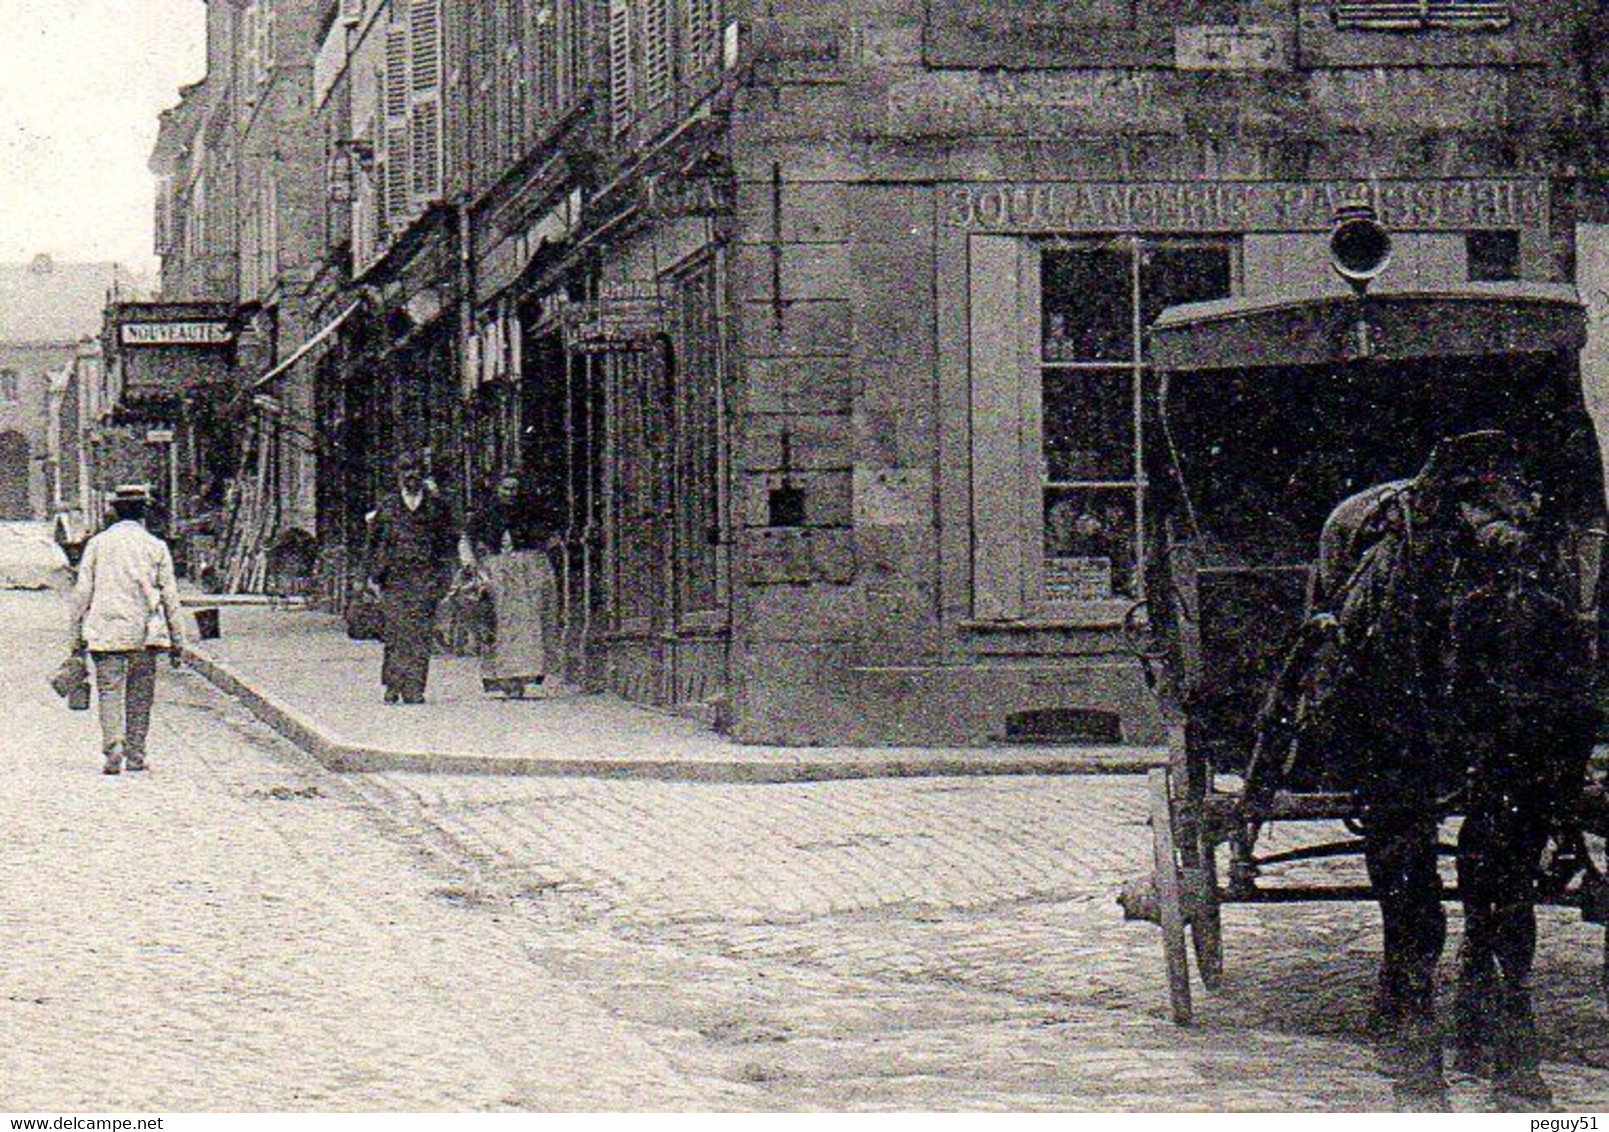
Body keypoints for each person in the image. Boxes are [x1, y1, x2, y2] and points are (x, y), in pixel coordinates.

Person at [68, 484, 189, 775]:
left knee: (109, 691)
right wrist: (178, 641)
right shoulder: (156, 547)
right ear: (144, 513)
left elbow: (81, 594)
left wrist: (75, 637)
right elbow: (170, 596)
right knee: (140, 694)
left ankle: (113, 746)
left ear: (114, 511)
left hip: (106, 632)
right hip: (144, 634)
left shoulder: (97, 545)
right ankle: (136, 754)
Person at [368, 451, 457, 704]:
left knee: (420, 633)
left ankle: (415, 687)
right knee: (395, 632)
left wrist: (443, 577)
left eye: (416, 469)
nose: (411, 475)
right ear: (398, 474)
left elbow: (446, 542)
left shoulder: (436, 506)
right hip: (394, 577)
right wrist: (371, 577)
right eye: (406, 469)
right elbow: (373, 542)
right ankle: (393, 684)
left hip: (425, 578)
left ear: (423, 473)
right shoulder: (388, 505)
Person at [464, 473, 558, 697]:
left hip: (525, 573)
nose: (510, 494)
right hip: (497, 571)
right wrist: (472, 565)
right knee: (499, 623)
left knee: (525, 624)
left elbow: (546, 539)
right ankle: (501, 678)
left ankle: (523, 676)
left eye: (514, 489)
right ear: (498, 489)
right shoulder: (485, 513)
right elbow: (467, 539)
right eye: (505, 489)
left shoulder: (529, 513)